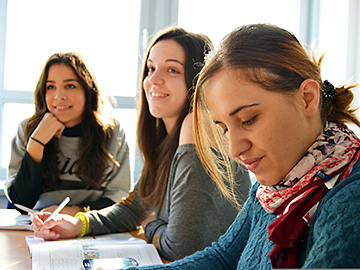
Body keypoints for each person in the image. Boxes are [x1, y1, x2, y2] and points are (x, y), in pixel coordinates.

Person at [123, 23, 360, 269]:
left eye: (248, 120)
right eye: (224, 128)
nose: (234, 150)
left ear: (307, 99)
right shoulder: (271, 189)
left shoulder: (348, 202)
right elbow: (223, 256)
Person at [30, 27, 251, 262]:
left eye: (172, 70)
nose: (153, 80)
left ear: (197, 81)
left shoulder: (197, 124)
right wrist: (79, 224)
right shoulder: (166, 139)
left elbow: (181, 247)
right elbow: (136, 208)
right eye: (151, 69)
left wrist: (151, 226)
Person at [5, 52, 131, 216]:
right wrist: (36, 143)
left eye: (70, 86)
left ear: (88, 91)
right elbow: (21, 204)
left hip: (94, 228)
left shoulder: (112, 133)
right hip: (36, 228)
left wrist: (76, 212)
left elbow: (119, 198)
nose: (59, 96)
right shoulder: (28, 129)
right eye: (50, 87)